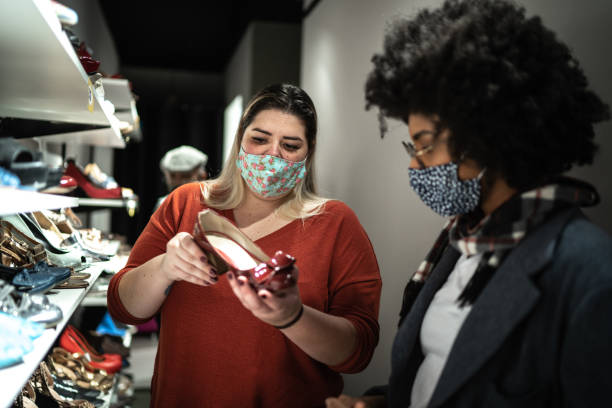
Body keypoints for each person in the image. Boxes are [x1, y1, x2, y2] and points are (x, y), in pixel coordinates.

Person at [326, 0, 612, 407]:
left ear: (485, 137)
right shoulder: (459, 243)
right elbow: (443, 379)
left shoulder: (589, 274)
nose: (414, 164)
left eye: (423, 146)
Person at [108, 83, 382, 407]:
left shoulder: (335, 223)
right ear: (240, 139)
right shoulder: (186, 203)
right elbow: (123, 308)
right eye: (260, 139)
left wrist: (292, 317)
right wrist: (165, 268)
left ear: (308, 153)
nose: (272, 155)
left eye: (290, 145)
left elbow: (358, 350)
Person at [154, 145, 209, 210]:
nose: (178, 181)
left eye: (185, 176)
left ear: (202, 177)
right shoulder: (163, 205)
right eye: (172, 176)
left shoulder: (211, 206)